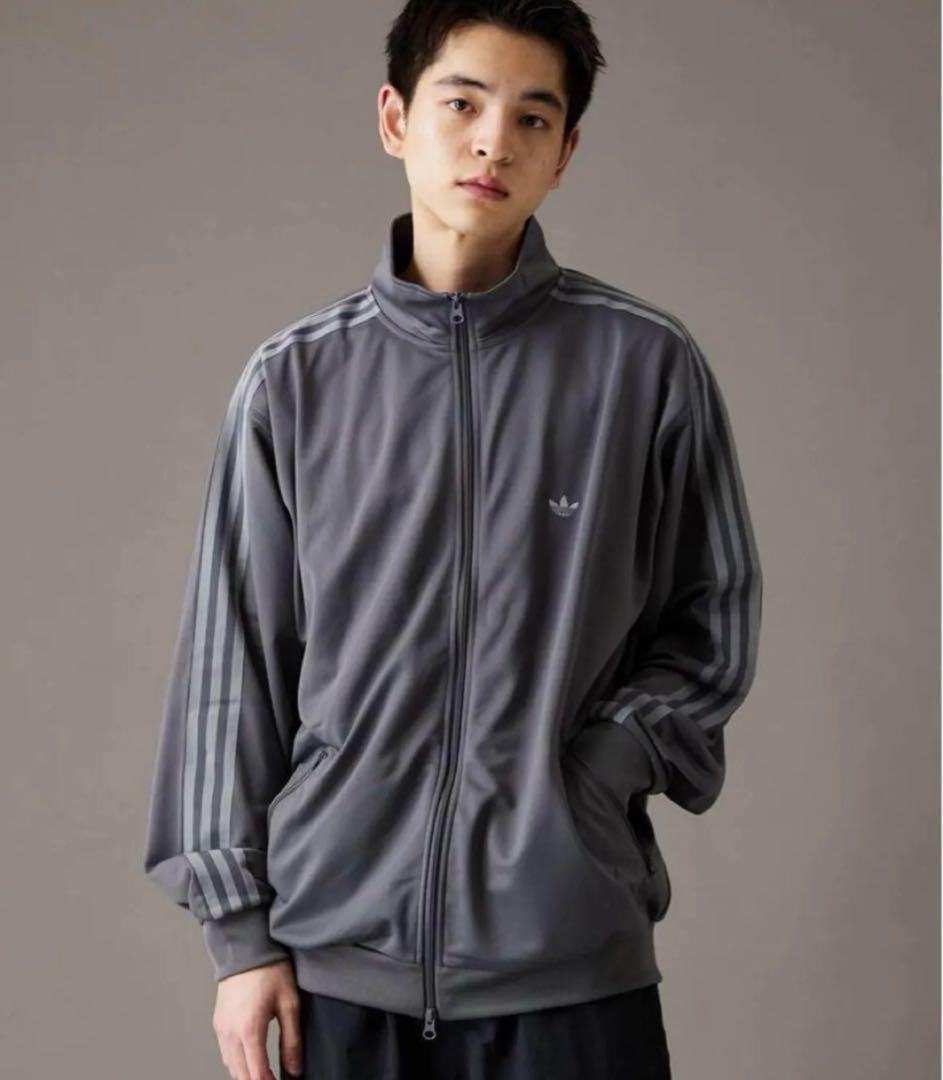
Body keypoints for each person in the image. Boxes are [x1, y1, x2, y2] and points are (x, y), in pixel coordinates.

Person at [142, 1, 763, 1077]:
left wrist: (596, 773)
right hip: (336, 973)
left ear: (565, 153)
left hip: (570, 965)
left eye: (532, 118)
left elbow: (713, 622)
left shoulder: (643, 366)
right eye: (462, 104)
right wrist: (240, 941)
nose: (492, 143)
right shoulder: (293, 382)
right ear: (395, 118)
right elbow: (229, 666)